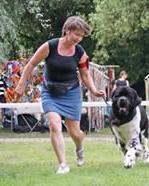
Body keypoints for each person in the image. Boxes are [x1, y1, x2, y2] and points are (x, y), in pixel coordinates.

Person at [15, 16, 105, 175]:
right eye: (76, 34)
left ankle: (79, 147)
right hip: (50, 92)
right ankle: (63, 164)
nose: (78, 38)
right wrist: (22, 83)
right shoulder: (50, 46)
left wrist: (94, 90)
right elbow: (31, 64)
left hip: (71, 93)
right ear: (67, 30)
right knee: (54, 124)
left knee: (75, 133)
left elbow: (85, 75)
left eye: (81, 36)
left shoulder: (80, 52)